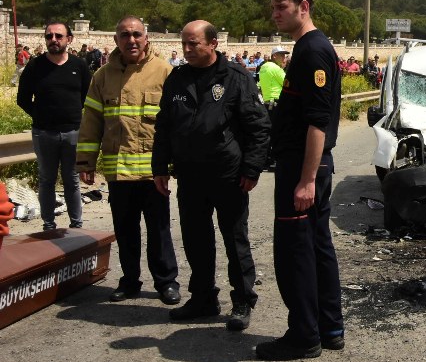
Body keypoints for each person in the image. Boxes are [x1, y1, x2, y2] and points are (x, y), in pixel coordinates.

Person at [153, 20, 270, 331]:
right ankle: (203, 298)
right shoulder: (177, 78)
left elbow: (258, 127)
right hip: (190, 176)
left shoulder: (235, 78)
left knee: (234, 240)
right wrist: (159, 167)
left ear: (213, 43)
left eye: (194, 44)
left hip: (228, 176)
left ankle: (243, 300)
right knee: (195, 239)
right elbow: (164, 125)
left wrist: (251, 169)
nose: (188, 50)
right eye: (185, 44)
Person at [256, 0, 344, 361]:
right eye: (273, 7)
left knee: (297, 252)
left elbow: (317, 122)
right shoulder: (307, 48)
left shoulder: (312, 51)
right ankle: (329, 328)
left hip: (303, 168)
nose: (275, 14)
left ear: (303, 7)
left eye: (282, 7)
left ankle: (304, 334)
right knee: (317, 246)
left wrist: (307, 179)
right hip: (308, 166)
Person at [76, 16, 180, 305]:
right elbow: (91, 121)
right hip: (118, 171)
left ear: (146, 38)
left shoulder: (164, 72)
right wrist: (85, 162)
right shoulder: (102, 76)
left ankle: (167, 283)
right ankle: (130, 281)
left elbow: (176, 123)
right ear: (116, 40)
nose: (131, 40)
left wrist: (176, 162)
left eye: (136, 34)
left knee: (159, 229)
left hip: (153, 172)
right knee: (125, 230)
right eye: (125, 35)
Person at [16, 21, 91, 231]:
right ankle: (48, 225)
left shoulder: (79, 66)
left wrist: (75, 115)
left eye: (58, 36)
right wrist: (41, 115)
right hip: (44, 133)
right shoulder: (34, 66)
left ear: (69, 39)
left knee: (72, 180)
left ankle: (77, 226)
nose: (54, 40)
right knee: (47, 180)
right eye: (49, 36)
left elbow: (89, 97)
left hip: (73, 132)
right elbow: (22, 99)